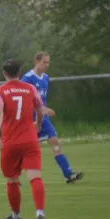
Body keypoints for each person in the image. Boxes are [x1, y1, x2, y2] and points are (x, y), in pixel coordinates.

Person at [0, 59, 48, 219]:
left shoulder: (0, 90)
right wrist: (38, 124)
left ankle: (16, 215)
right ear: (20, 72)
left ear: (4, 74)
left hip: (10, 141)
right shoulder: (30, 88)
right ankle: (39, 211)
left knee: (12, 179)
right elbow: (40, 109)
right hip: (30, 140)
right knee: (35, 177)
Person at [21, 51, 84, 183]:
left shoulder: (45, 78)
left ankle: (68, 174)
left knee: (55, 143)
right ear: (37, 61)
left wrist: (43, 110)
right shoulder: (27, 79)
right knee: (25, 151)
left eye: (48, 62)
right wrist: (43, 109)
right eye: (44, 62)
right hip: (30, 120)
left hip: (43, 120)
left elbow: (40, 99)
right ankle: (13, 177)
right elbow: (26, 101)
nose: (47, 65)